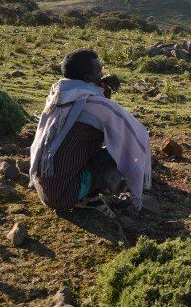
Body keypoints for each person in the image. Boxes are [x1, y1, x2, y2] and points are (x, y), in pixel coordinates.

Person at [29, 49, 151, 217]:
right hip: (64, 194)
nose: (102, 74)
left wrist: (101, 89)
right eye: (99, 71)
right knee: (128, 151)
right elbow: (131, 133)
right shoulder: (94, 103)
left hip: (46, 189)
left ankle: (83, 188)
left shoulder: (59, 94)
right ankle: (89, 197)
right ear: (87, 78)